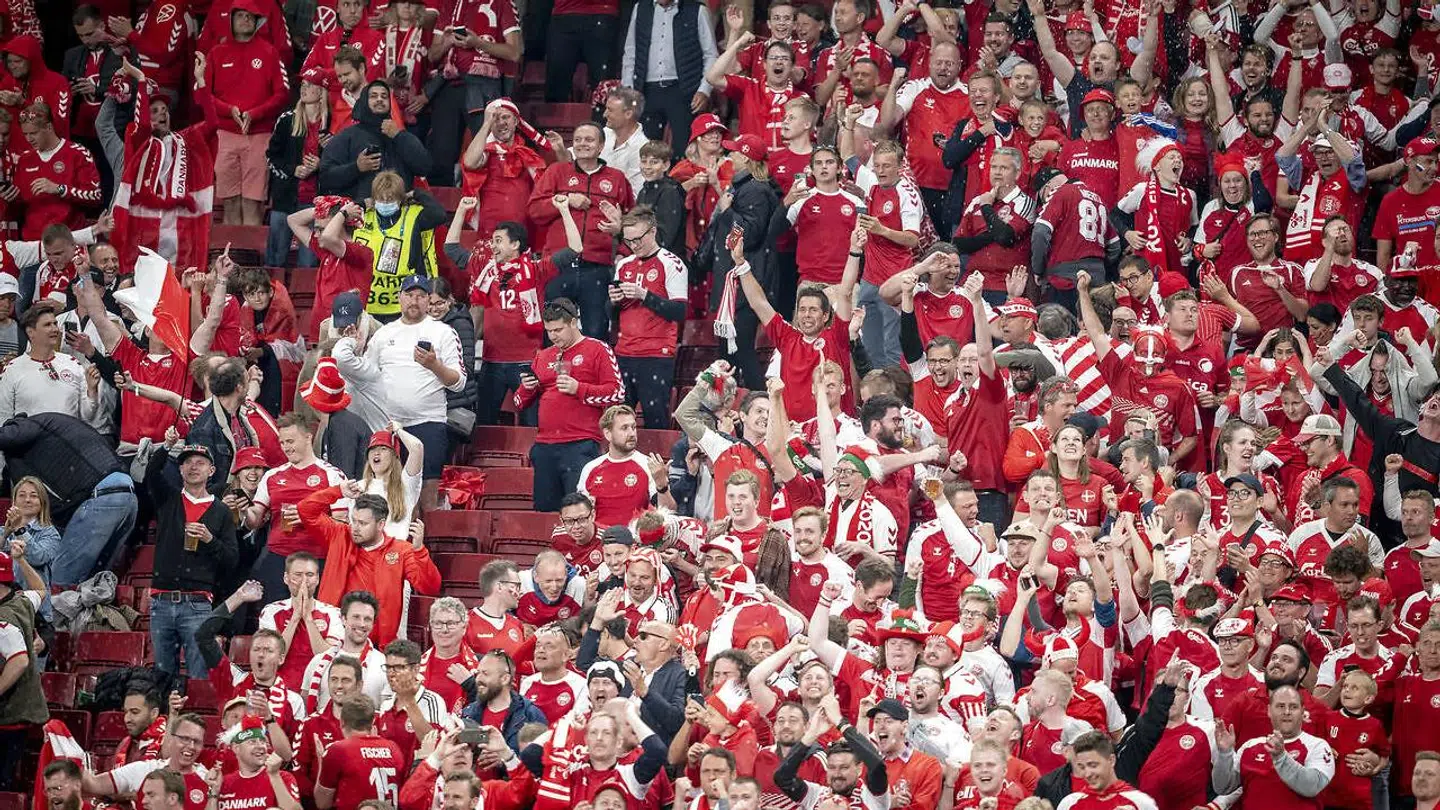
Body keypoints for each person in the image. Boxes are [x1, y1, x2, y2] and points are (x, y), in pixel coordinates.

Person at [336, 273, 465, 509]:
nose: (414, 301)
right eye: (409, 295)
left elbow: (459, 382)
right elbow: (368, 375)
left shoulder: (444, 332)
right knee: (393, 492)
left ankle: (426, 545)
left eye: (420, 296)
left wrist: (434, 365)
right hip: (388, 425)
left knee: (427, 493)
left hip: (429, 421)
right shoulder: (384, 334)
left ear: (428, 300)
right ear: (399, 298)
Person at [0, 413, 137, 586]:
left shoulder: (29, 426)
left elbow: (8, 436)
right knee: (93, 584)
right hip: (128, 496)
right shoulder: (56, 431)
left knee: (60, 582)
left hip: (101, 499)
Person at [516, 299, 626, 511]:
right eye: (549, 331)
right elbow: (519, 402)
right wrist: (527, 387)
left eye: (558, 329)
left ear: (574, 322)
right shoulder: (544, 355)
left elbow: (617, 393)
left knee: (579, 511)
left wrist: (580, 389)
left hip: (580, 445)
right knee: (544, 514)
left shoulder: (597, 349)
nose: (553, 336)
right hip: (544, 446)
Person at [527, 123, 634, 341]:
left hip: (597, 267)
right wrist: (565, 200)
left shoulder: (617, 178)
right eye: (578, 140)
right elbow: (534, 211)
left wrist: (621, 243)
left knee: (596, 333)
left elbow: (632, 220)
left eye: (589, 140)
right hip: (558, 264)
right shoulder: (556, 171)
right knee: (553, 333)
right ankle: (553, 375)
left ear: (602, 146)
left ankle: (592, 375)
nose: (583, 144)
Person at [143, 439, 239, 677]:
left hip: (198, 603)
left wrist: (209, 540)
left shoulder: (222, 512)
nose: (193, 467)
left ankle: (194, 714)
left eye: (200, 462)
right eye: (187, 462)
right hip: (161, 600)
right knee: (162, 676)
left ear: (212, 470)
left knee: (199, 676)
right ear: (180, 469)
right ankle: (166, 715)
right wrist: (166, 446)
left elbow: (231, 559)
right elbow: (152, 472)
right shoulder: (169, 498)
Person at [301, 488, 442, 646]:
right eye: (354, 520)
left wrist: (419, 552)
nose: (355, 527)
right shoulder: (339, 535)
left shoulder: (401, 550)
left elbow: (430, 588)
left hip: (378, 644)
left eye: (363, 523)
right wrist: (338, 491)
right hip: (333, 636)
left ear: (381, 524)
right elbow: (305, 509)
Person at [610, 207, 687, 428]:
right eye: (628, 241)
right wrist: (613, 301)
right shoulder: (623, 265)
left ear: (652, 232)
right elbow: (613, 314)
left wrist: (644, 295)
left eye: (638, 239)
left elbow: (679, 311)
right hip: (624, 352)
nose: (634, 246)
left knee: (655, 421)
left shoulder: (672, 263)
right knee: (618, 421)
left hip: (656, 355)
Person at [619, 0, 718, 163]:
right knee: (648, 152)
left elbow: (710, 55)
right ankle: (649, 188)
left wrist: (704, 89)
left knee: (684, 152)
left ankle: (681, 187)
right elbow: (631, 51)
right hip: (646, 92)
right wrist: (629, 89)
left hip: (683, 91)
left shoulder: (697, 10)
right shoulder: (641, 8)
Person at [316, 695, 407, 810]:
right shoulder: (393, 748)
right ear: (373, 721)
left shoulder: (338, 750)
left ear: (342, 721)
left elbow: (322, 804)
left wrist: (321, 760)